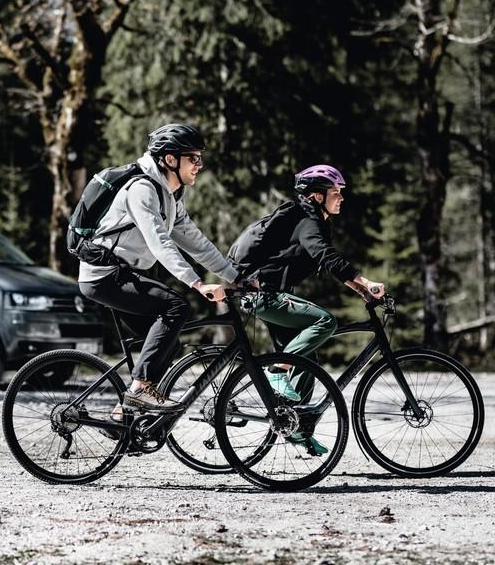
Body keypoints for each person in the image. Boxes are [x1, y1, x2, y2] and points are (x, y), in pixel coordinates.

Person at [78, 123, 240, 413]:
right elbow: (159, 242)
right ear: (170, 159)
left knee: (169, 344)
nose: (199, 165)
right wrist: (197, 283)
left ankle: (122, 416)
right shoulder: (142, 189)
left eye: (200, 158)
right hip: (103, 277)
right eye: (193, 158)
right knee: (176, 307)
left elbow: (196, 243)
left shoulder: (170, 195)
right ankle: (140, 389)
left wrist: (237, 277)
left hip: (121, 275)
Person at [229, 163, 385, 454]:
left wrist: (362, 291)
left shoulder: (313, 220)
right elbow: (324, 255)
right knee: (325, 322)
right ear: (317, 196)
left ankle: (297, 428)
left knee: (306, 360)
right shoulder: (307, 220)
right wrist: (365, 280)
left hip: (268, 294)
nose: (341, 197)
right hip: (265, 295)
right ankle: (277, 370)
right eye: (335, 192)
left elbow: (327, 261)